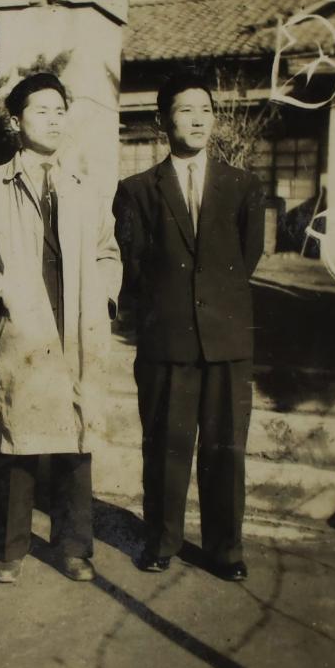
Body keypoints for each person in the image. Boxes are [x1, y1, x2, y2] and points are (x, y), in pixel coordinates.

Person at [0, 73, 121, 585]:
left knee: (75, 439)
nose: (53, 120)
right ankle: (9, 548)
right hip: (22, 330)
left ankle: (74, 547)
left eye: (59, 110)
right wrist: (1, 294)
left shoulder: (85, 189)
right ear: (15, 121)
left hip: (76, 328)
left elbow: (107, 252)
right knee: (16, 441)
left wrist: (102, 298)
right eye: (41, 110)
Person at [112, 74, 264, 581]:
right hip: (167, 340)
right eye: (184, 110)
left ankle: (226, 550)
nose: (197, 120)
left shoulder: (242, 185)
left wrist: (213, 306)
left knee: (226, 450)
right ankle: (161, 541)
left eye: (205, 110)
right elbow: (133, 264)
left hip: (227, 339)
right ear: (163, 121)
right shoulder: (136, 190)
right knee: (165, 448)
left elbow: (247, 257)